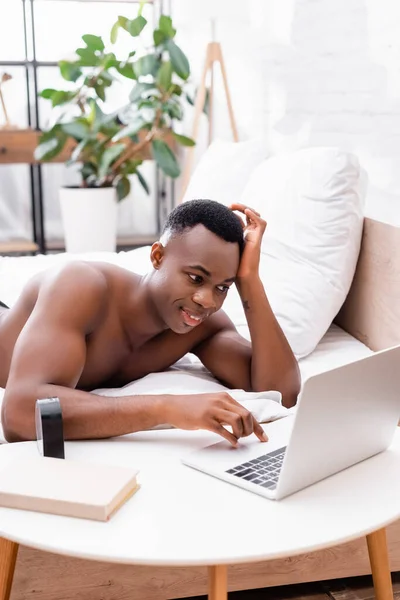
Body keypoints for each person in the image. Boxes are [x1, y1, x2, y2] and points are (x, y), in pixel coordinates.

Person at [0, 199, 300, 446]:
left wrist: (249, 281)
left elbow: (281, 393)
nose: (207, 300)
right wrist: (166, 407)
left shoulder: (201, 326)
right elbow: (19, 414)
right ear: (157, 255)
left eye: (223, 287)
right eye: (196, 278)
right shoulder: (80, 286)